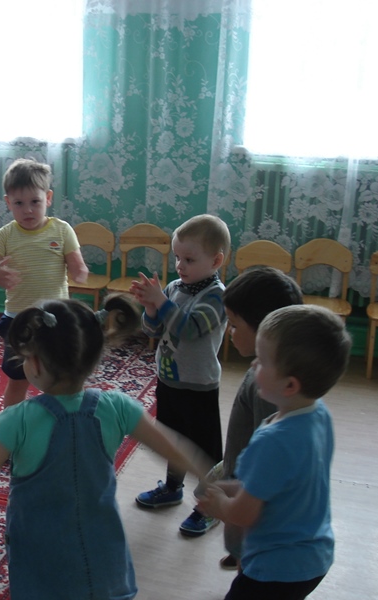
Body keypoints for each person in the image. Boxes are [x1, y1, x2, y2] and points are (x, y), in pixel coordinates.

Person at [0, 296, 212, 600]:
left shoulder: (16, 420)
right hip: (102, 547)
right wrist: (209, 477)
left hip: (41, 554)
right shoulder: (118, 407)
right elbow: (173, 448)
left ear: (35, 363)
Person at [197, 305, 351, 600]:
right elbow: (277, 484)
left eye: (262, 360)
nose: (254, 364)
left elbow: (243, 514)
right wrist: (229, 488)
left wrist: (219, 505)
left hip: (276, 568)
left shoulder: (272, 441)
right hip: (314, 556)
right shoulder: (319, 414)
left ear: (290, 385)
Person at [130, 214, 230, 537]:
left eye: (189, 259)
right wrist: (151, 308)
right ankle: (173, 488)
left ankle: (210, 505)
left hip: (199, 386)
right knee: (174, 440)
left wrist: (161, 301)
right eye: (177, 257)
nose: (180, 266)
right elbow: (153, 330)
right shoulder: (174, 288)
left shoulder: (216, 296)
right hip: (169, 380)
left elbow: (189, 329)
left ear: (216, 261)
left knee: (205, 449)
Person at [0, 158, 88, 407]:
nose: (27, 210)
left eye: (35, 202)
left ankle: (62, 418)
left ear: (48, 198)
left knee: (60, 377)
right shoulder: (4, 235)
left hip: (56, 320)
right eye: (19, 203)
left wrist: (80, 271)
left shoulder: (62, 230)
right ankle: (11, 422)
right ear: (8, 203)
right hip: (19, 321)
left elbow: (77, 265)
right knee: (18, 379)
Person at [215, 266, 303, 570]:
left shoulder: (266, 387)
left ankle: (245, 565)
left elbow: (266, 454)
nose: (229, 331)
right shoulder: (267, 373)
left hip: (249, 489)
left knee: (249, 560)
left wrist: (228, 488)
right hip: (239, 473)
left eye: (234, 324)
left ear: (266, 331)